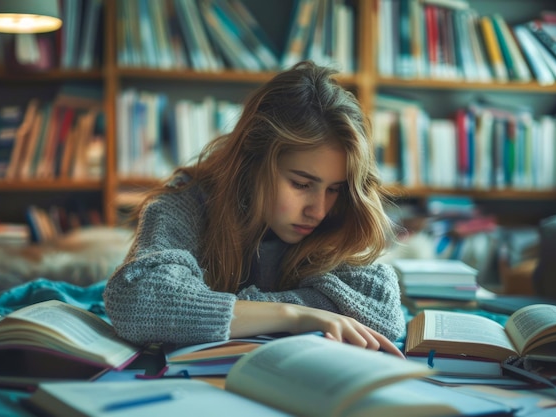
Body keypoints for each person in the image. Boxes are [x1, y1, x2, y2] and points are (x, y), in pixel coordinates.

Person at [104, 61, 406, 357]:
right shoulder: (186, 200)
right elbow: (138, 300)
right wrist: (292, 315)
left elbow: (382, 312)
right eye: (301, 184)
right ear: (252, 162)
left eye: (334, 189)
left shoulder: (341, 215)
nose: (319, 211)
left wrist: (229, 310)